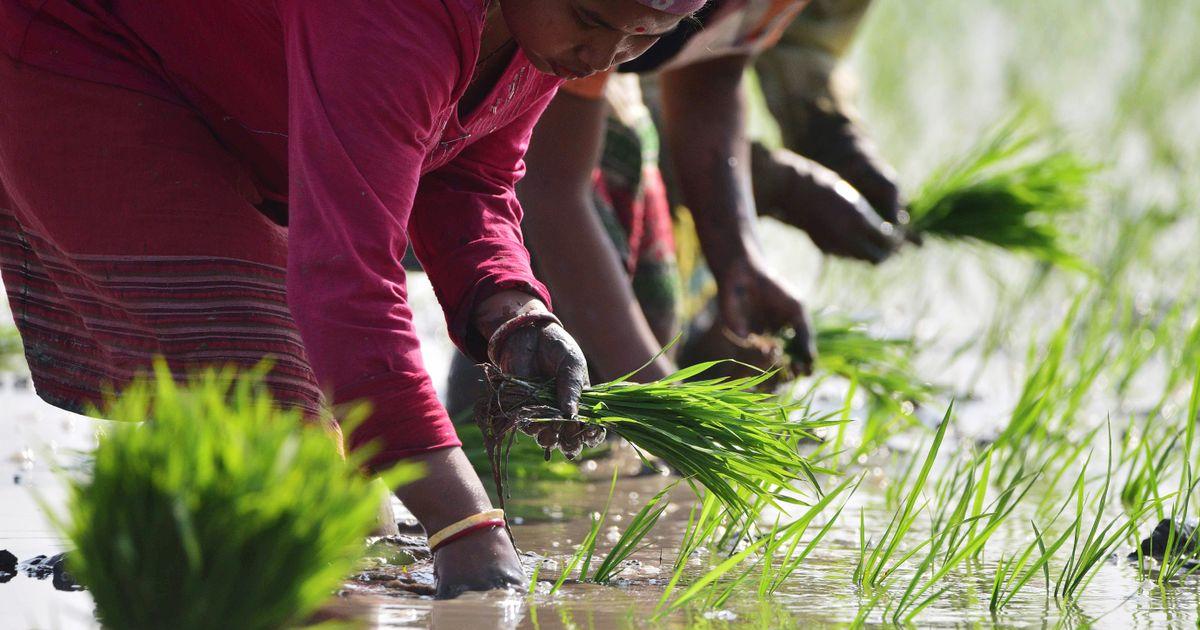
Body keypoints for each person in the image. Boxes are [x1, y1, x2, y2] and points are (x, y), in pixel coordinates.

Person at [0, 0, 700, 598]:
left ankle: (156, 558)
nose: (602, 53)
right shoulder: (395, 16)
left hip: (226, 89)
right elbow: (348, 277)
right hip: (90, 58)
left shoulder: (535, 34)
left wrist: (513, 310)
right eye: (590, 18)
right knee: (292, 472)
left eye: (641, 37)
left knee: (347, 525)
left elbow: (467, 181)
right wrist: (466, 526)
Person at [445, 0, 906, 415]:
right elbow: (552, 186)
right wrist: (665, 402)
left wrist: (739, 257)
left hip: (530, 101)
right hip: (442, 104)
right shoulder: (591, 31)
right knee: (617, 183)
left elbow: (715, 68)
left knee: (651, 301)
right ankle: (479, 438)